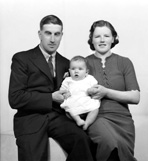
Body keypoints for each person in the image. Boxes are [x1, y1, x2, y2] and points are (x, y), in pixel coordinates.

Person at [8, 15, 95, 161]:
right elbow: (15, 98)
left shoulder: (67, 63)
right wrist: (50, 97)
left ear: (62, 35)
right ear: (40, 34)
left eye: (57, 34)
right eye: (48, 33)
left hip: (57, 118)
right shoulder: (22, 59)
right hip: (30, 119)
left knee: (83, 141)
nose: (53, 39)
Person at [86, 20, 140, 161]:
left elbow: (135, 97)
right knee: (109, 143)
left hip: (123, 121)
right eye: (97, 36)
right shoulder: (83, 63)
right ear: (91, 39)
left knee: (122, 152)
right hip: (96, 117)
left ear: (113, 38)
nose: (102, 40)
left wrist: (106, 92)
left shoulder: (125, 62)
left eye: (106, 36)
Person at [60, 55, 100, 130]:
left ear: (86, 71)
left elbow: (96, 87)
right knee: (68, 109)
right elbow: (62, 90)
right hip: (74, 102)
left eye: (80, 69)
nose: (76, 71)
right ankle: (78, 120)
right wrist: (65, 93)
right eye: (73, 69)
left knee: (95, 108)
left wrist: (92, 90)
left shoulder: (89, 78)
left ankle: (87, 123)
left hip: (86, 101)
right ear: (69, 70)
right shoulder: (68, 80)